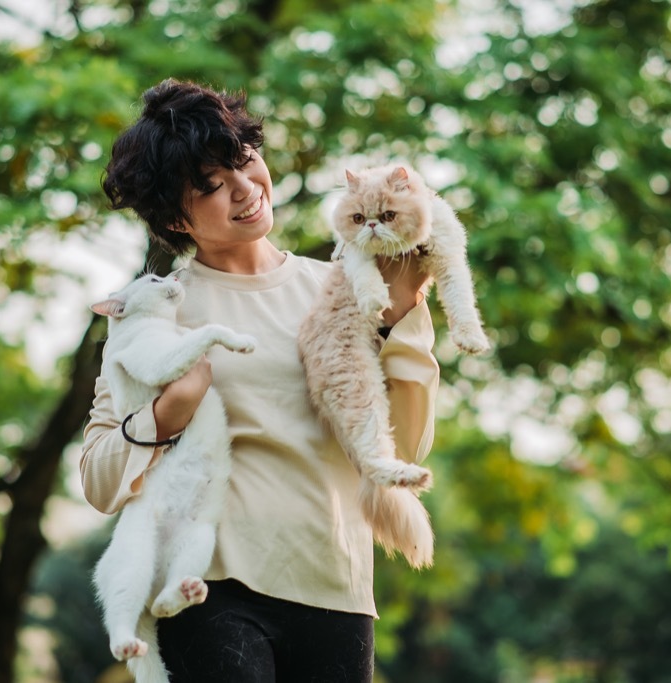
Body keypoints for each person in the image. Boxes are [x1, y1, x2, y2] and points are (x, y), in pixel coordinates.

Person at [79, 78, 440, 682]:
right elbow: (98, 478)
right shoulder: (155, 310)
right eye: (211, 186)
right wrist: (168, 414)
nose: (245, 188)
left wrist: (399, 322)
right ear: (175, 218)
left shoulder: (347, 289)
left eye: (244, 161)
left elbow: (407, 444)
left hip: (335, 585)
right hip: (207, 587)